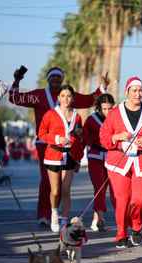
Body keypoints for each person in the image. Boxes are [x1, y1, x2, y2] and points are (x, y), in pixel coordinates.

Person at [9, 67, 109, 225]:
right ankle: (44, 214)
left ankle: (60, 216)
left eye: (58, 76)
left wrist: (103, 87)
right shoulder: (38, 95)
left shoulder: (69, 97)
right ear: (48, 79)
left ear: (62, 80)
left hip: (68, 147)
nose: (55, 78)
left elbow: (90, 100)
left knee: (64, 187)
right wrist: (16, 81)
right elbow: (15, 99)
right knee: (47, 180)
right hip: (45, 143)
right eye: (52, 76)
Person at [100, 77, 142, 248]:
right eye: (134, 90)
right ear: (126, 92)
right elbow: (103, 137)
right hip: (118, 162)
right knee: (122, 199)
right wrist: (117, 137)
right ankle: (121, 233)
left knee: (141, 199)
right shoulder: (115, 113)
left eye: (140, 90)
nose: (137, 94)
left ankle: (136, 226)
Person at [38, 84, 85, 233]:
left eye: (69, 96)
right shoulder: (50, 114)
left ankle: (64, 220)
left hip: (70, 156)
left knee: (66, 191)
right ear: (58, 98)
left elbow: (79, 139)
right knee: (55, 191)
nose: (66, 99)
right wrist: (57, 139)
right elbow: (41, 134)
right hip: (53, 156)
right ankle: (54, 214)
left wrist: (79, 134)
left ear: (73, 98)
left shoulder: (77, 116)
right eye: (63, 96)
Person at [82, 93, 115, 232]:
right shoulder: (91, 120)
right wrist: (77, 158)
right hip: (94, 155)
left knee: (105, 188)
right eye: (104, 109)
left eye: (110, 108)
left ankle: (95, 219)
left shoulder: (115, 119)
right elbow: (83, 138)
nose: (107, 112)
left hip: (110, 156)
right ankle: (101, 219)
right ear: (98, 108)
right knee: (99, 187)